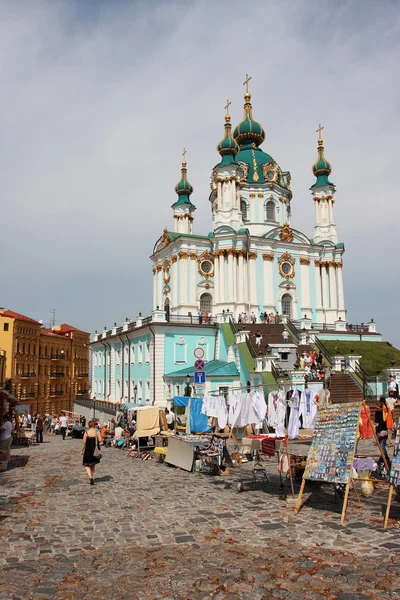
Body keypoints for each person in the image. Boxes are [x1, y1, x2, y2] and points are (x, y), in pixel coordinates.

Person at [81, 419, 101, 485]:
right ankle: (92, 476)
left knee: (86, 464)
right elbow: (100, 440)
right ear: (94, 425)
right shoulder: (97, 432)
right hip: (95, 450)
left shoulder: (86, 432)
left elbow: (84, 442)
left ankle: (90, 477)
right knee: (93, 464)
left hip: (88, 450)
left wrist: (82, 450)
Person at [375, 397, 390, 471]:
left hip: (383, 431)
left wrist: (384, 410)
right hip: (378, 431)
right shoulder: (376, 412)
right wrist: (375, 424)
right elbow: (376, 421)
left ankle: (386, 458)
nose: (377, 408)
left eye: (378, 407)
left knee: (382, 446)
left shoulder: (385, 412)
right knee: (381, 447)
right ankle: (383, 458)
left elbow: (384, 419)